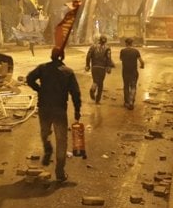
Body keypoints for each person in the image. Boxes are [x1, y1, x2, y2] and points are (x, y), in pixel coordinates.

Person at [26, 47, 81, 182]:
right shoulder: (68, 72)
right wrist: (77, 110)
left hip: (44, 107)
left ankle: (47, 147)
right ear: (62, 57)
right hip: (59, 109)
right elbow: (75, 93)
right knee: (61, 140)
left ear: (51, 56)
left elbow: (29, 78)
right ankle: (60, 171)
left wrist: (39, 89)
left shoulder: (43, 68)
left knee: (45, 132)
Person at [85, 35, 114, 104]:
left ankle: (93, 88)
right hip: (102, 68)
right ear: (106, 41)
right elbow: (108, 58)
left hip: (94, 67)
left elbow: (88, 56)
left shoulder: (92, 47)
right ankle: (97, 100)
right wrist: (108, 67)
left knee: (95, 80)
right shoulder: (107, 48)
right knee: (100, 83)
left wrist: (87, 65)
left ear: (99, 40)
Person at [119, 38, 145, 110]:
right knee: (133, 86)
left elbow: (121, 59)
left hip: (125, 72)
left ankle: (126, 102)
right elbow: (141, 61)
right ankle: (131, 101)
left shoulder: (123, 51)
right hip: (133, 72)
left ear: (126, 43)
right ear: (132, 43)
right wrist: (142, 66)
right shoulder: (136, 51)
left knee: (126, 86)